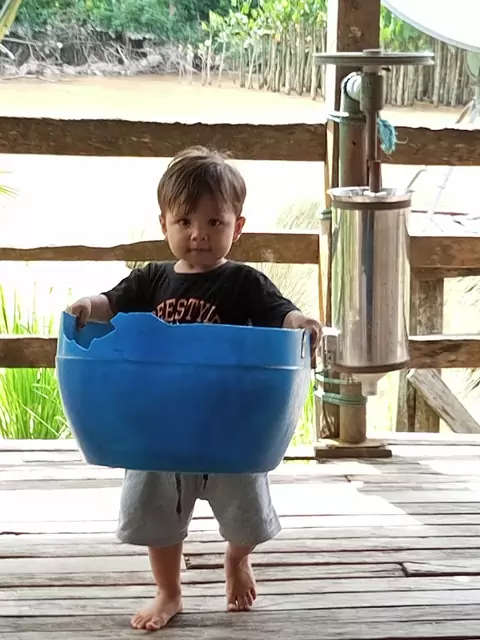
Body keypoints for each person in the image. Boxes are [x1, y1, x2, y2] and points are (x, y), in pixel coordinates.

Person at [67, 146, 322, 631]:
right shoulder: (151, 279)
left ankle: (237, 558)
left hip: (230, 427)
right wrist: (86, 304)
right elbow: (111, 302)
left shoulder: (243, 281)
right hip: (161, 428)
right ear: (163, 223)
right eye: (184, 221)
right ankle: (169, 592)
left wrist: (301, 321)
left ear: (237, 227)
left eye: (213, 222)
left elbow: (280, 313)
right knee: (156, 516)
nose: (198, 233)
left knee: (246, 514)